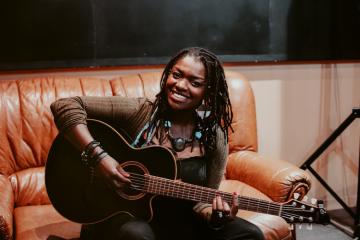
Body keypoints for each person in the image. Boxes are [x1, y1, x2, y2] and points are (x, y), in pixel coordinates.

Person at [50, 47, 264, 240]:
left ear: (208, 92)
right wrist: (100, 159)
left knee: (250, 234)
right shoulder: (141, 112)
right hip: (128, 217)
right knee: (138, 235)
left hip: (182, 223)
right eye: (176, 75)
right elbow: (65, 105)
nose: (180, 85)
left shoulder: (214, 137)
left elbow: (203, 202)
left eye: (195, 82)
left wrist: (217, 217)